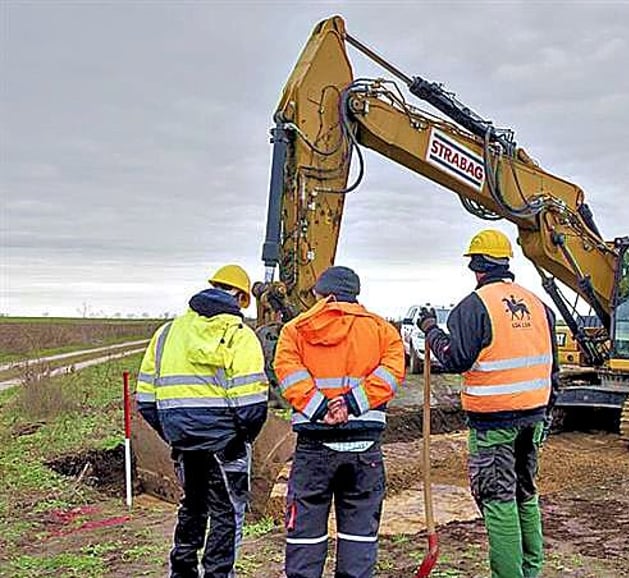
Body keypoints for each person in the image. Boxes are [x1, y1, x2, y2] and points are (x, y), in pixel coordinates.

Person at [416, 229, 558, 578]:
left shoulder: (474, 306)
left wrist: (431, 330)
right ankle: (530, 570)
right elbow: (554, 366)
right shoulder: (540, 306)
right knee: (526, 492)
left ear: (476, 267)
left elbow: (456, 358)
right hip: (534, 417)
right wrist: (547, 412)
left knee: (498, 499)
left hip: (494, 424)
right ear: (506, 263)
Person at [135, 264, 269, 578]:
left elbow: (145, 399)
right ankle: (218, 574)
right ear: (238, 295)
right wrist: (242, 438)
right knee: (226, 513)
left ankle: (181, 572)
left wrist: (173, 433)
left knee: (192, 507)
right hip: (226, 445)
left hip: (184, 442)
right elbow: (251, 405)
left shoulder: (167, 333)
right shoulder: (240, 336)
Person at [274, 266, 405, 578]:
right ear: (355, 295)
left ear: (323, 294)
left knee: (305, 537)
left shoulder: (295, 330)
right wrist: (351, 404)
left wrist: (322, 409)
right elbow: (390, 375)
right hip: (365, 450)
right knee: (359, 537)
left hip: (314, 447)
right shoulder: (383, 331)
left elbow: (289, 376)